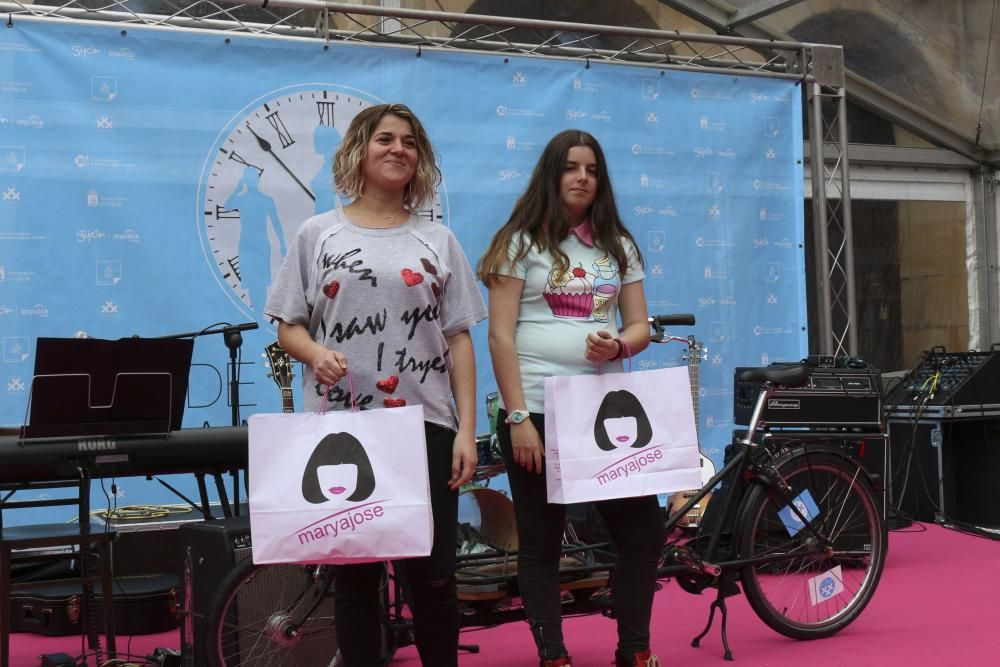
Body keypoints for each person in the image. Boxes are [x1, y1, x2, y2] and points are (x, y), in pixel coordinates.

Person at [265, 103, 487, 667]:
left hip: (427, 428)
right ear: (359, 152)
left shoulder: (439, 240)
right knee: (356, 581)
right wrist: (315, 353)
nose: (398, 149)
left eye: (409, 142)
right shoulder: (318, 233)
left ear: (420, 160)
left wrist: (467, 431)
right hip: (343, 431)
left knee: (433, 577)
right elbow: (288, 326)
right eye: (384, 139)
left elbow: (459, 337)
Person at [477, 129, 663, 667]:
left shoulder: (618, 244)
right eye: (571, 167)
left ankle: (634, 649)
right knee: (541, 540)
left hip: (604, 412)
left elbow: (638, 326)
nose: (583, 177)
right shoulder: (519, 241)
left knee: (643, 532)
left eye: (593, 169)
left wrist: (620, 344)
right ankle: (553, 656)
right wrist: (517, 419)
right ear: (551, 175)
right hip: (535, 410)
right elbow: (500, 336)